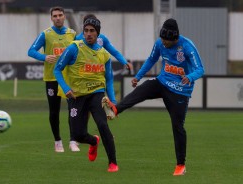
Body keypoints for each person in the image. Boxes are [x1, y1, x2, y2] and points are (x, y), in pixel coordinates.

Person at [102, 18, 204, 175]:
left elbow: (200, 69)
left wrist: (189, 77)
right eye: (162, 39)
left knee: (178, 127)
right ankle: (115, 109)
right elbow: (151, 59)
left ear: (175, 38)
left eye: (167, 41)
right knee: (141, 90)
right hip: (162, 82)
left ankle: (180, 165)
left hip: (180, 91)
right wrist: (138, 76)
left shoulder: (187, 47)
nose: (164, 43)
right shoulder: (159, 43)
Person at [54, 17, 119, 172]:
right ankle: (93, 142)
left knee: (103, 125)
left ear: (98, 34)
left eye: (92, 31)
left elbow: (109, 79)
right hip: (76, 96)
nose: (88, 34)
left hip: (97, 94)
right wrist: (66, 88)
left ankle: (113, 163)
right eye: (86, 30)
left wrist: (113, 101)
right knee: (78, 135)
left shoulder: (104, 54)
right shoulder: (74, 48)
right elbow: (57, 69)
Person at [27, 6, 80, 152]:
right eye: (55, 16)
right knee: (54, 111)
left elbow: (79, 51)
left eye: (60, 15)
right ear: (51, 18)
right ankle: (58, 141)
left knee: (73, 109)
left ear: (64, 17)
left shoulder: (72, 34)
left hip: (68, 78)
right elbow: (30, 51)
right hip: (51, 78)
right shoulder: (46, 34)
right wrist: (44, 57)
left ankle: (73, 140)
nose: (58, 18)